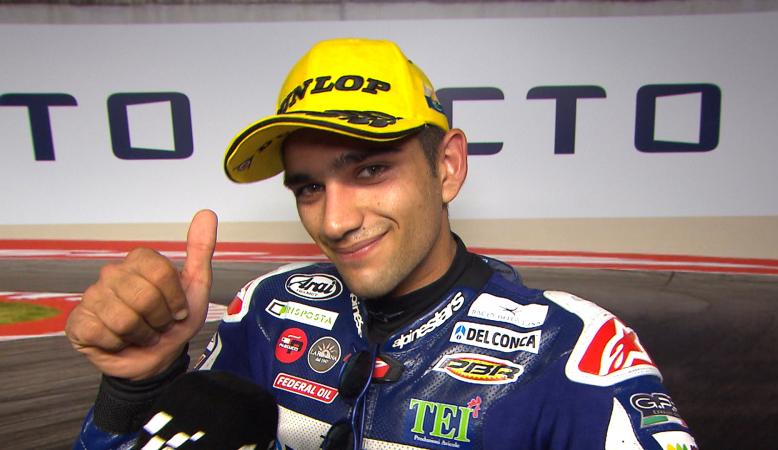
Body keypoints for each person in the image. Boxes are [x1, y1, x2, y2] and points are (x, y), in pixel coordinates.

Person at [66, 38, 698, 450]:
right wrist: (138, 389)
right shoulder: (265, 311)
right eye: (309, 187)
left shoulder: (572, 347)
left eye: (370, 170)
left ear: (447, 167)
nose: (335, 220)